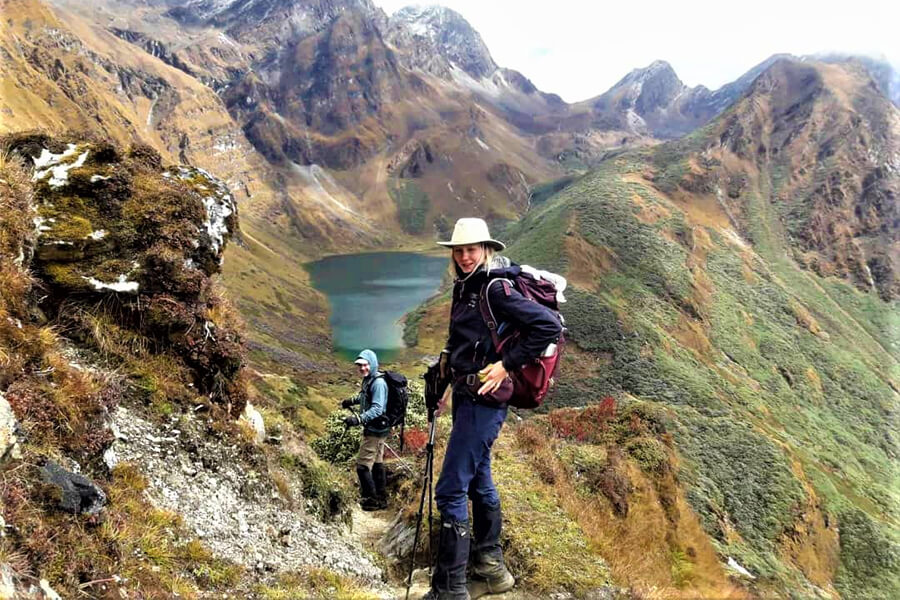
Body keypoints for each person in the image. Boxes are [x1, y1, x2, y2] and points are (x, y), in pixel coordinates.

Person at [426, 218, 563, 599]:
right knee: (477, 478)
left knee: (450, 490)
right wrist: (445, 362)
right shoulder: (465, 286)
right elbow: (466, 337)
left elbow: (548, 327)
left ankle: (450, 589)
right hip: (468, 397)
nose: (465, 256)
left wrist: (507, 364)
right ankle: (490, 569)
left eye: (472, 249)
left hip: (484, 402)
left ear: (486, 250)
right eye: (458, 250)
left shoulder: (495, 288)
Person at [342, 349, 391, 511]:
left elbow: (377, 408)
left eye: (365, 365)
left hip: (374, 431)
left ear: (372, 364)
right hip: (378, 429)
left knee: (362, 466)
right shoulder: (369, 380)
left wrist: (358, 419)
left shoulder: (378, 383)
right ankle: (381, 498)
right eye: (360, 365)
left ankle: (371, 500)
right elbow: (364, 397)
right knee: (377, 463)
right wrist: (351, 400)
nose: (362, 368)